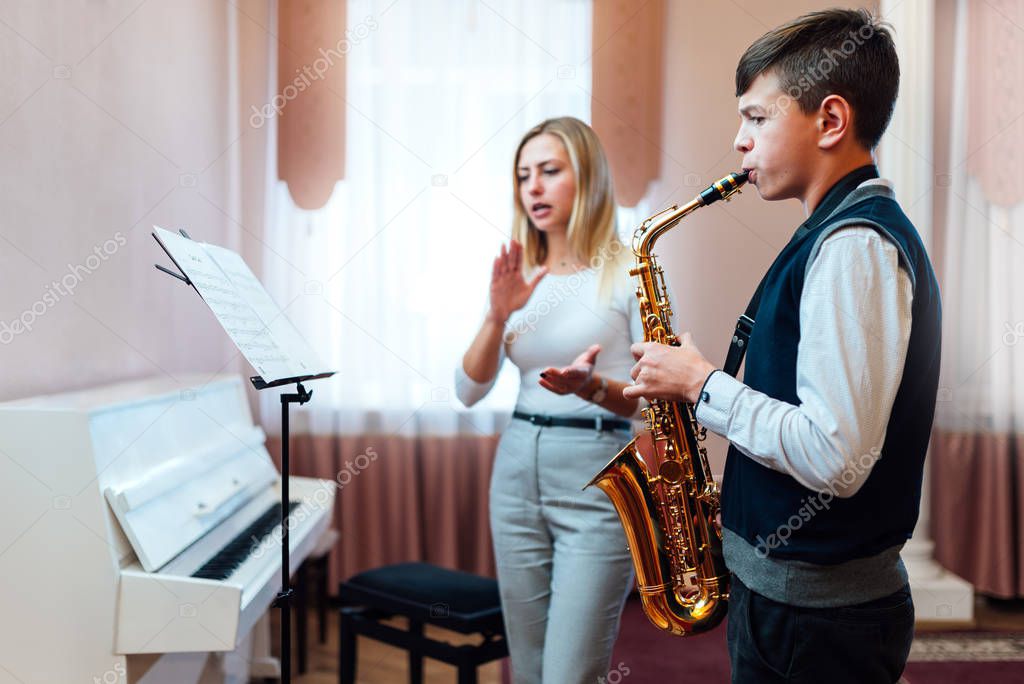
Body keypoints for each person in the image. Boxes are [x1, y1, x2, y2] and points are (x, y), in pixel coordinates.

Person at [624, 9, 940, 684]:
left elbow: (837, 457)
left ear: (830, 120)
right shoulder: (832, 234)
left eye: (756, 118)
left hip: (817, 621)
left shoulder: (853, 245)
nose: (738, 141)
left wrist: (700, 385)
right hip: (797, 605)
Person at [456, 116, 643, 683]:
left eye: (550, 171)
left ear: (585, 177)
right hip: (515, 471)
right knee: (530, 670)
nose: (533, 186)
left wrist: (591, 386)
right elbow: (468, 390)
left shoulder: (631, 269)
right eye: (523, 175)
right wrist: (496, 315)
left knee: (568, 676)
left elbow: (652, 400)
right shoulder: (518, 276)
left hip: (598, 474)